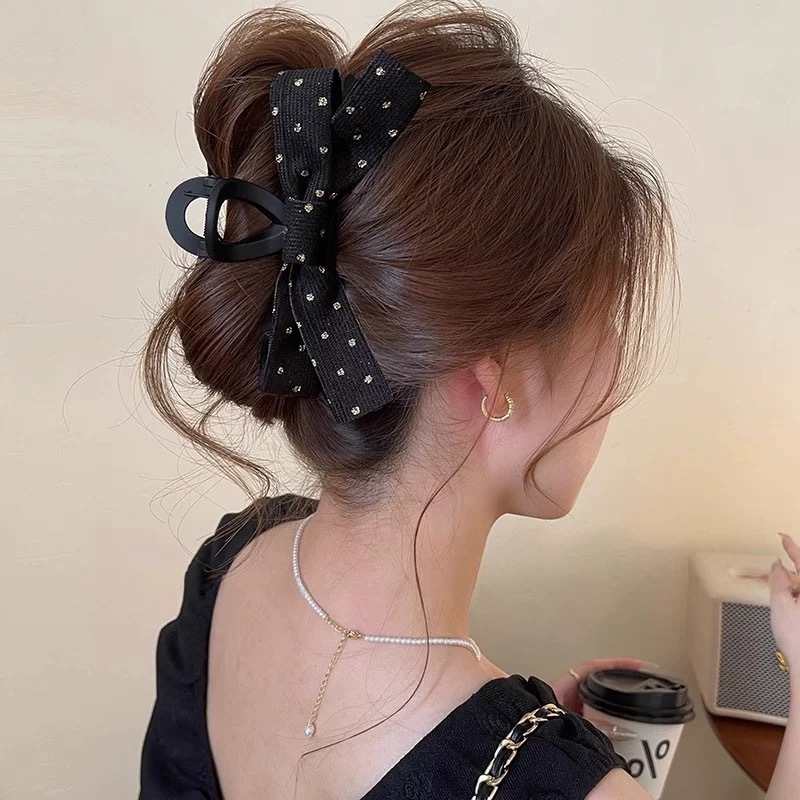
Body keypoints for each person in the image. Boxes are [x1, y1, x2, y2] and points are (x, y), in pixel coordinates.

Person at [138, 2, 800, 798]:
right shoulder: (533, 775)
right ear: (500, 385)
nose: (618, 370)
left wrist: (530, 751)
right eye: (607, 321)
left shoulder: (230, 561)